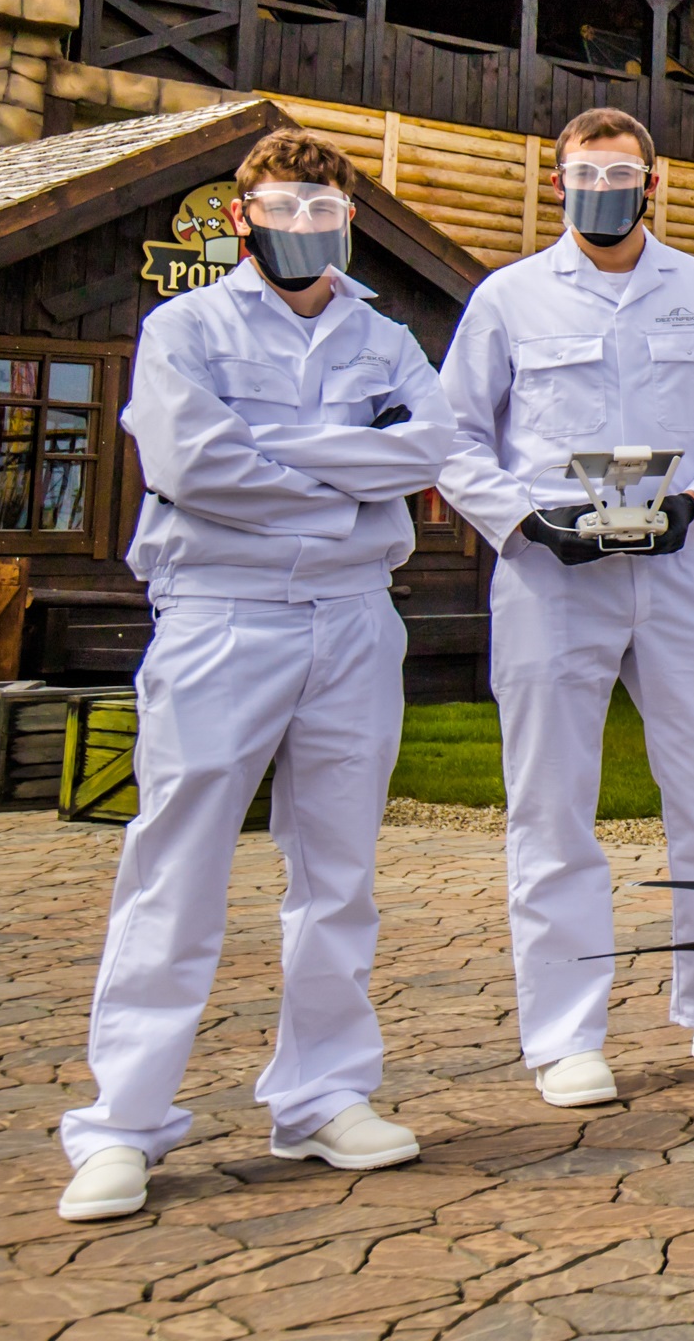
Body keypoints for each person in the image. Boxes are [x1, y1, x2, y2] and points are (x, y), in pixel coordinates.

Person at [58, 128, 453, 1223]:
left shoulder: (383, 336)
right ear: (244, 218)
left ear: (348, 222)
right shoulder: (181, 326)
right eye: (284, 212)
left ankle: (323, 1094)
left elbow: (435, 443)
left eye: (325, 215)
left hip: (355, 619)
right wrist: (348, 471)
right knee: (175, 861)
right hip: (221, 615)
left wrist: (286, 448)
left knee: (339, 867)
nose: (306, 231)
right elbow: (193, 465)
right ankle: (122, 1125)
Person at [436, 107, 694, 1109]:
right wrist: (523, 520)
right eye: (584, 171)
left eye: (620, 170)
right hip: (554, 578)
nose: (603, 186)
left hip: (678, 572)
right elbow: (454, 434)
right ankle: (564, 1036)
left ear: (653, 181)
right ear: (558, 182)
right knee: (552, 803)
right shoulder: (508, 300)